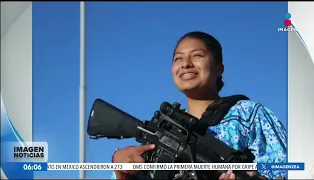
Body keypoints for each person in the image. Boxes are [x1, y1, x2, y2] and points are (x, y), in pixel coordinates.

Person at [111, 31, 288, 180]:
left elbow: (288, 167)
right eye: (178, 58)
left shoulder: (249, 114)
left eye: (197, 55)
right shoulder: (165, 128)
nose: (186, 64)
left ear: (219, 68)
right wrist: (119, 165)